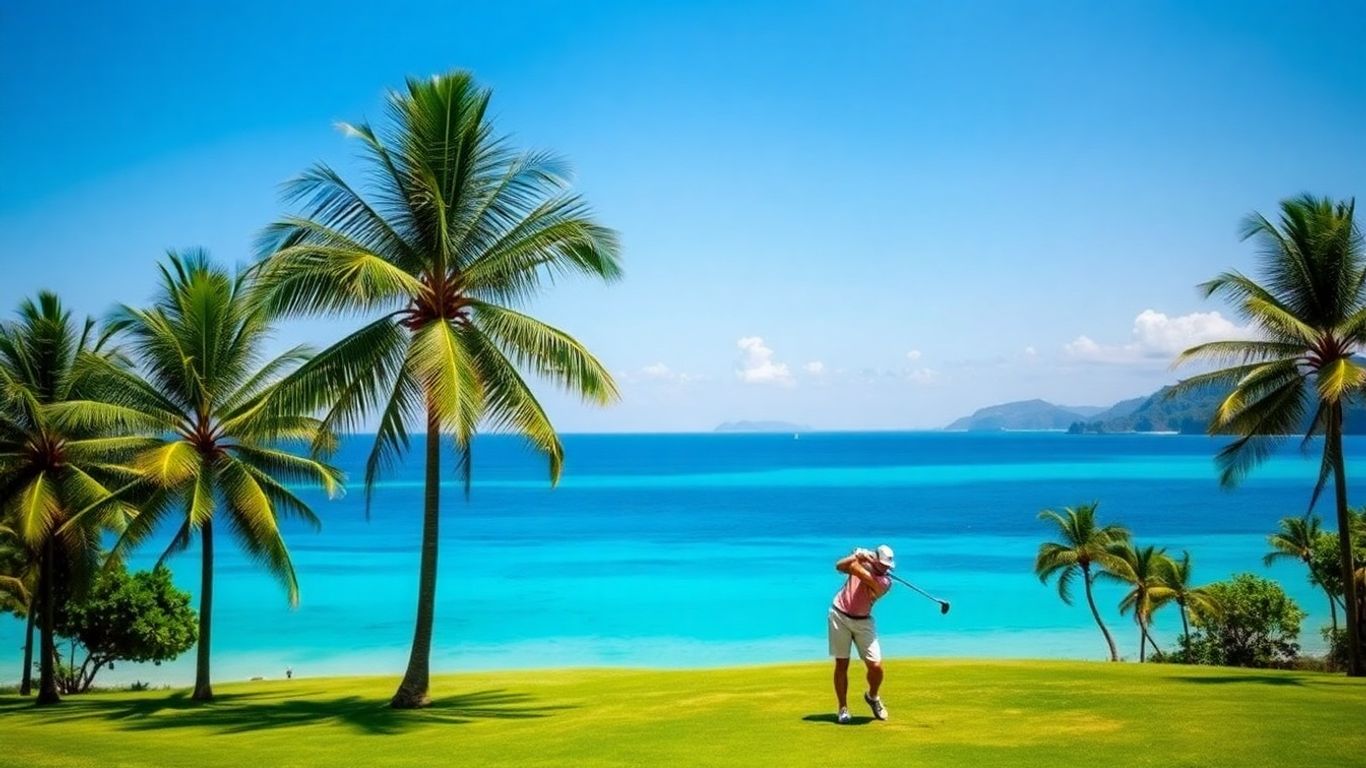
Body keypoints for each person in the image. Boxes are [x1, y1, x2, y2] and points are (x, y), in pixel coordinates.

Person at [828, 544, 894, 723]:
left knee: (876, 666)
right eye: (884, 564)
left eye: (888, 566)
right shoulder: (866, 562)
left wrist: (859, 558)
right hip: (839, 615)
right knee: (842, 664)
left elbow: (855, 570)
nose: (886, 568)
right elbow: (839, 566)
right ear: (877, 559)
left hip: (863, 621)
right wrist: (856, 555)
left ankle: (872, 697)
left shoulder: (886, 583)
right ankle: (843, 708)